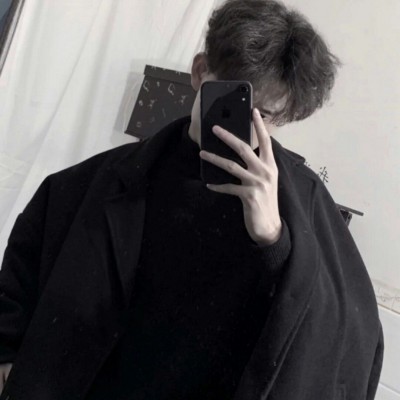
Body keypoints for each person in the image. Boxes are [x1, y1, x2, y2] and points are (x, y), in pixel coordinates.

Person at [0, 0, 384, 399]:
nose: (246, 127)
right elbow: (28, 257)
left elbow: (350, 344)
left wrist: (275, 240)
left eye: (267, 115)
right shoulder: (107, 178)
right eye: (236, 101)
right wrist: (7, 350)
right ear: (201, 71)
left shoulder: (306, 202)